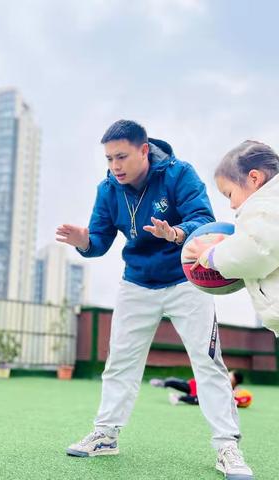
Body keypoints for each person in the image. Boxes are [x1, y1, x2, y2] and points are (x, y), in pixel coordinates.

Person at [56, 120, 253, 479]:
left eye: (121, 156)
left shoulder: (179, 175)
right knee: (120, 362)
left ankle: (227, 445)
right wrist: (83, 240)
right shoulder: (107, 189)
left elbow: (203, 219)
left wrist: (176, 233)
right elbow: (98, 242)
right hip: (137, 284)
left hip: (185, 280)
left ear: (144, 150)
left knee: (208, 362)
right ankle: (106, 434)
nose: (114, 166)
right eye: (109, 158)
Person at [185, 140, 279, 337]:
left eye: (230, 194)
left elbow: (257, 251)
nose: (232, 205)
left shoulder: (265, 207)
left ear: (254, 178)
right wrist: (232, 245)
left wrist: (211, 255)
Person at [150, 370, 244, 406]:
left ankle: (178, 397)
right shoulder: (221, 378)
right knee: (176, 382)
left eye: (230, 376)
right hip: (195, 386)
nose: (227, 376)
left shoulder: (231, 391)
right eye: (229, 373)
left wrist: (234, 394)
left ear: (234, 381)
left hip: (201, 395)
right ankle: (163, 383)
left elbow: (235, 399)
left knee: (199, 400)